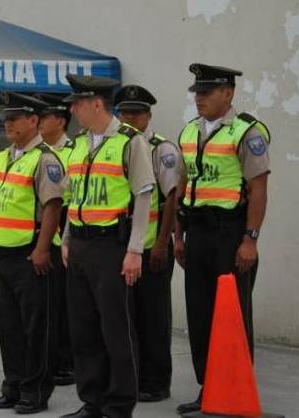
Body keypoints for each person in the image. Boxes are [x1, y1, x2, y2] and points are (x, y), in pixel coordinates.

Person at [174, 64, 270, 415]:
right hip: (197, 231)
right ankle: (208, 388)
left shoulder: (246, 132)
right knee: (200, 313)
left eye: (207, 92)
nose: (199, 98)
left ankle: (236, 388)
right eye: (196, 92)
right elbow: (182, 188)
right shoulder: (188, 133)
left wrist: (250, 240)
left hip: (230, 233)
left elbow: (258, 190)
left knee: (233, 314)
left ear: (227, 93)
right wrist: (178, 237)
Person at [59, 74, 156, 418]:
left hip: (112, 246)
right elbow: (73, 197)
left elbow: (143, 196)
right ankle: (92, 400)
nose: (72, 109)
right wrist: (68, 238)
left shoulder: (130, 142)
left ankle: (118, 404)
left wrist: (134, 250)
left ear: (96, 104)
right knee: (83, 328)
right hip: (82, 244)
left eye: (78, 103)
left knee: (116, 328)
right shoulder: (79, 144)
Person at [0, 92, 63, 414]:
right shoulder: (2, 157)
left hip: (30, 255)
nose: (8, 123)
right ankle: (12, 386)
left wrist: (43, 249)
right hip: (2, 252)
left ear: (34, 121)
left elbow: (52, 206)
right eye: (6, 118)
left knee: (35, 327)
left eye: (15, 118)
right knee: (8, 326)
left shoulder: (45, 158)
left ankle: (35, 391)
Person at [114, 84, 183, 403]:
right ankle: (134, 376)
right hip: (126, 246)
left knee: (153, 316)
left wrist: (161, 245)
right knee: (126, 316)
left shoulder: (161, 148)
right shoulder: (117, 147)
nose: (129, 118)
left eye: (136, 113)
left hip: (153, 246)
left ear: (148, 116)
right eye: (124, 112)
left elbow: (172, 198)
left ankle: (156, 381)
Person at [35, 92, 76, 387]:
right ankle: (52, 359)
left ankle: (66, 361)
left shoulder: (72, 151)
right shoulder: (36, 152)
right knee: (49, 302)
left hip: (67, 231)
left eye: (45, 117)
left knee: (66, 303)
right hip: (42, 233)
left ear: (60, 121)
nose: (40, 122)